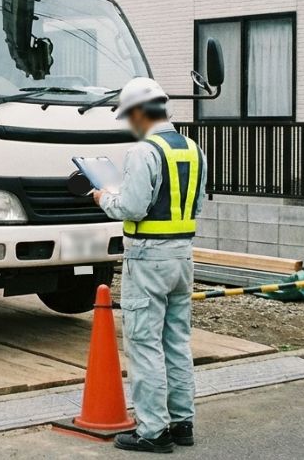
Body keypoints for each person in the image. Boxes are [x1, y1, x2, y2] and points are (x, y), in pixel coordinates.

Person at [91, 77, 205, 454]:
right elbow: (197, 205)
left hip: (147, 257)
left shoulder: (145, 152)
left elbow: (133, 207)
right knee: (176, 339)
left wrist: (104, 196)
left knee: (144, 343)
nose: (129, 124)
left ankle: (153, 431)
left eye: (129, 116)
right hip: (182, 255)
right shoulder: (192, 150)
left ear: (142, 112)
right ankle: (181, 421)